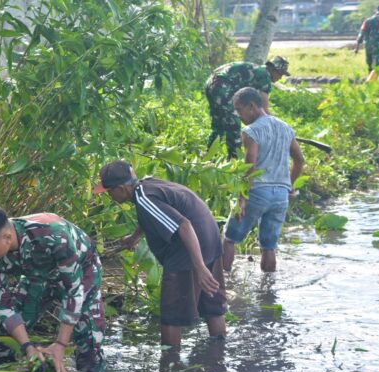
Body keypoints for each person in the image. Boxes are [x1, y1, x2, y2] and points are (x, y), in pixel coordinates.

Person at [0, 203, 109, 372]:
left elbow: (73, 291)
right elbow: (2, 303)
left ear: (7, 238)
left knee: (89, 348)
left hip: (82, 272)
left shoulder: (53, 234)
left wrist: (60, 344)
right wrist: (27, 347)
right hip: (37, 277)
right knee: (5, 341)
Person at [94, 160, 227, 348]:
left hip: (189, 246)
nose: (109, 196)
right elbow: (157, 212)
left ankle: (170, 365)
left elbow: (184, 225)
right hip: (209, 236)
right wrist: (135, 237)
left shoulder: (143, 199)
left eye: (110, 191)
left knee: (171, 314)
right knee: (212, 305)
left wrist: (200, 267)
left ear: (122, 188)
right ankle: (218, 352)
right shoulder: (147, 185)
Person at [222, 87, 305, 272]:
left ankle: (221, 286)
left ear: (251, 106)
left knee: (229, 238)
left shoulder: (251, 131)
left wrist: (242, 199)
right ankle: (268, 294)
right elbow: (299, 161)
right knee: (269, 246)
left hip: (257, 192)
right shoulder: (285, 127)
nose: (238, 115)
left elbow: (250, 164)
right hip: (280, 196)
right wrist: (289, 186)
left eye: (239, 109)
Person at [205, 56, 290, 159]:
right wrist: (278, 127)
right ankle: (234, 161)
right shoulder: (264, 77)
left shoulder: (257, 70)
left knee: (219, 124)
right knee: (234, 125)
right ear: (274, 70)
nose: (280, 77)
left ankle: (208, 156)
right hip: (222, 87)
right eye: (281, 74)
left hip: (211, 84)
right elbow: (265, 110)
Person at [354, 5, 379, 79]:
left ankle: (370, 82)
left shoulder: (367, 20)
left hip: (368, 45)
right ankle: (370, 82)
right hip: (378, 45)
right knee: (378, 66)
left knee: (370, 65)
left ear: (376, 11)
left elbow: (360, 35)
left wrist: (356, 48)